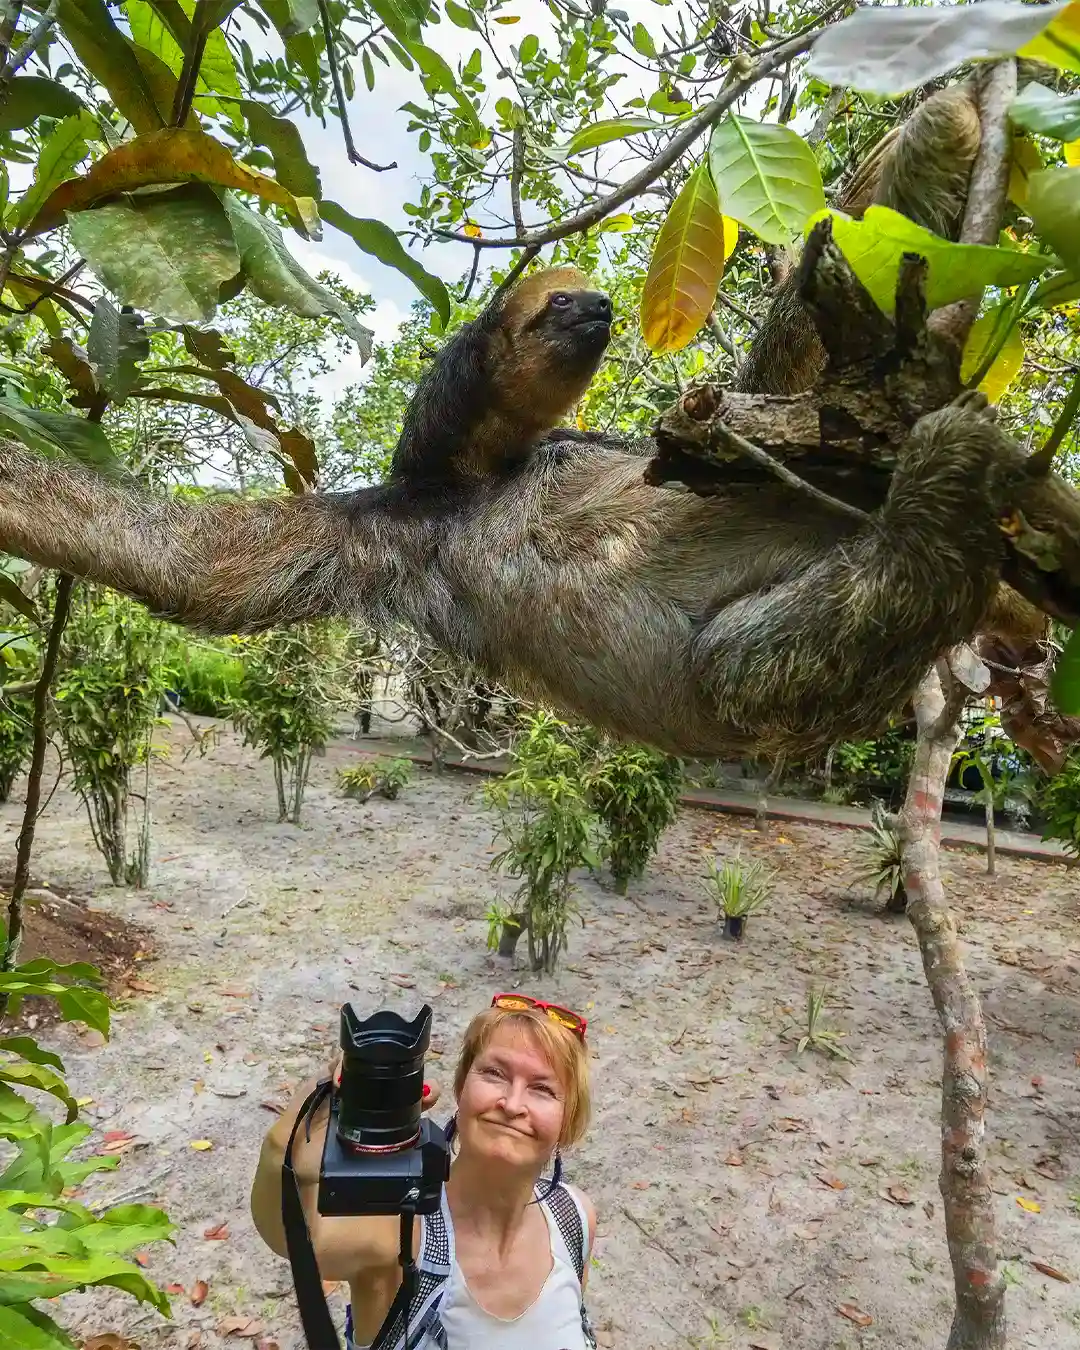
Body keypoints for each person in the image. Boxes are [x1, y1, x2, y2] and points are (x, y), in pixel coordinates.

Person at [251, 993, 598, 1349]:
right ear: (462, 1087)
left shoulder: (574, 1218)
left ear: (568, 1119)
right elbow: (291, 1239)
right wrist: (285, 1151)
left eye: (541, 1089)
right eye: (495, 1073)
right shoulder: (401, 1231)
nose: (512, 1104)